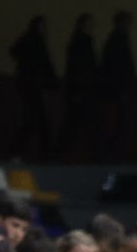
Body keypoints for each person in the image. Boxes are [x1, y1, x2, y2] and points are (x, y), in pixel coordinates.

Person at [8, 15, 56, 157]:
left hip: (29, 85)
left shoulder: (29, 41)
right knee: (37, 121)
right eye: (42, 26)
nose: (45, 29)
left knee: (33, 121)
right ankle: (40, 152)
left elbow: (15, 52)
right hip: (33, 86)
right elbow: (45, 65)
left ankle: (17, 150)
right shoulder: (36, 43)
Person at [99, 10, 136, 158]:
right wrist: (123, 89)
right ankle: (114, 154)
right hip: (120, 88)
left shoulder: (116, 39)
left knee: (120, 124)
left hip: (119, 88)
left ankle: (113, 153)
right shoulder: (118, 40)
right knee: (121, 125)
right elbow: (119, 67)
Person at [59, 14, 96, 157]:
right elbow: (77, 69)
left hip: (81, 90)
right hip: (82, 90)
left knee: (74, 124)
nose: (91, 27)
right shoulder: (81, 44)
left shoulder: (79, 43)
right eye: (89, 24)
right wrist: (77, 91)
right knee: (77, 124)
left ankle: (59, 154)